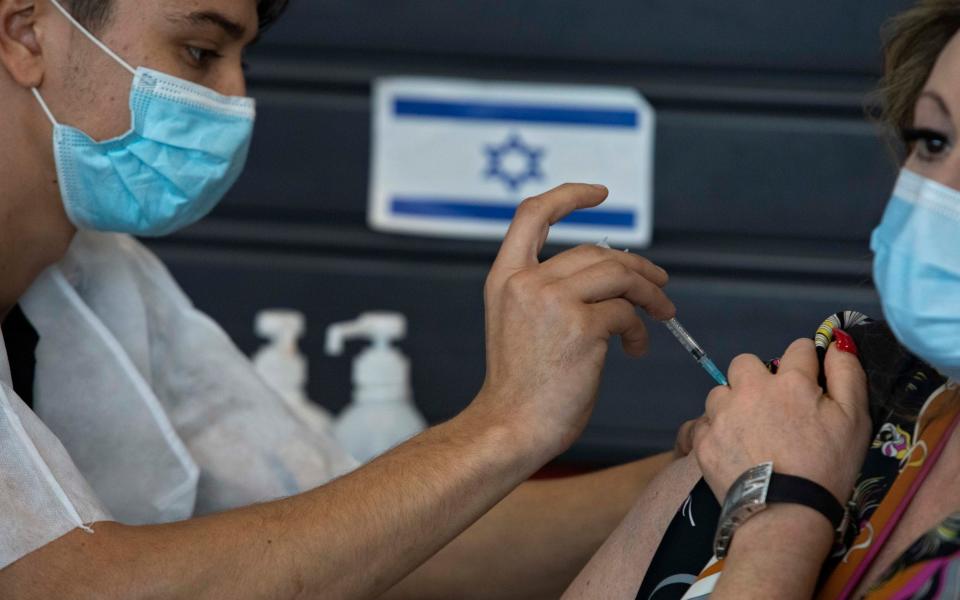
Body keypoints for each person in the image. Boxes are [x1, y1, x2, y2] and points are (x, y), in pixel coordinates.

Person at [0, 0, 685, 598]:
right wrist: (506, 423)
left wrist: (710, 467)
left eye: (240, 59)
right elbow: (64, 587)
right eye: (200, 52)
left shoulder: (101, 280)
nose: (235, 97)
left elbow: (371, 535)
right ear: (25, 33)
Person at [562, 1, 960, 598]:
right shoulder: (863, 389)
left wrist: (782, 509)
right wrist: (509, 426)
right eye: (934, 139)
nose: (939, 194)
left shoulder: (801, 446)